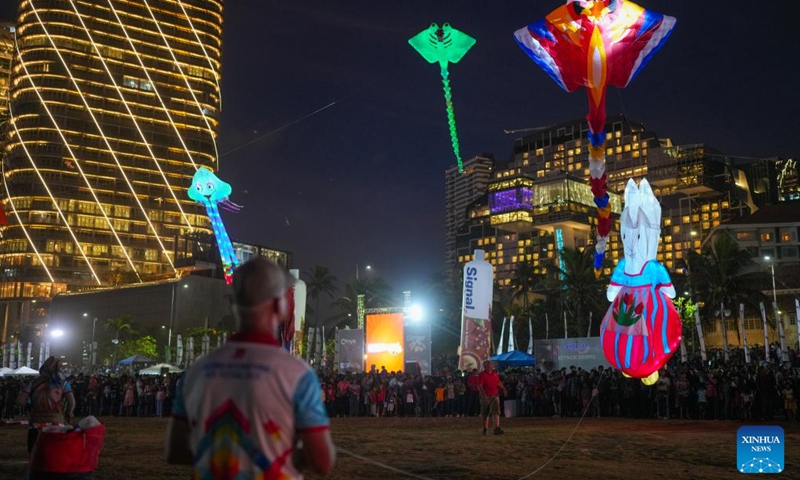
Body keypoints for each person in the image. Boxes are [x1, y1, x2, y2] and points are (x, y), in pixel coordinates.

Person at [165, 257, 335, 478]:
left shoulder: (197, 372)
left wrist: (225, 452)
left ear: (234, 304)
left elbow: (175, 451)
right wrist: (279, 451)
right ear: (279, 305)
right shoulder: (297, 375)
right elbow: (322, 462)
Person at [16, 356, 76, 454]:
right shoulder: (63, 384)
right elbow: (71, 402)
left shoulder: (33, 383)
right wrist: (68, 413)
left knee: (35, 456)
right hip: (57, 424)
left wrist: (31, 406)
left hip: (36, 424)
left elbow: (20, 401)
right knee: (55, 456)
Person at [478, 360, 507, 435]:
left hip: (494, 395)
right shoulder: (482, 374)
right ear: (487, 366)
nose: (492, 365)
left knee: (496, 412)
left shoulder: (494, 373)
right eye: (491, 364)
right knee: (485, 413)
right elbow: (480, 386)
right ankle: (485, 428)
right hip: (486, 396)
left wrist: (503, 389)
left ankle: (497, 427)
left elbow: (498, 382)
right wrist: (484, 395)